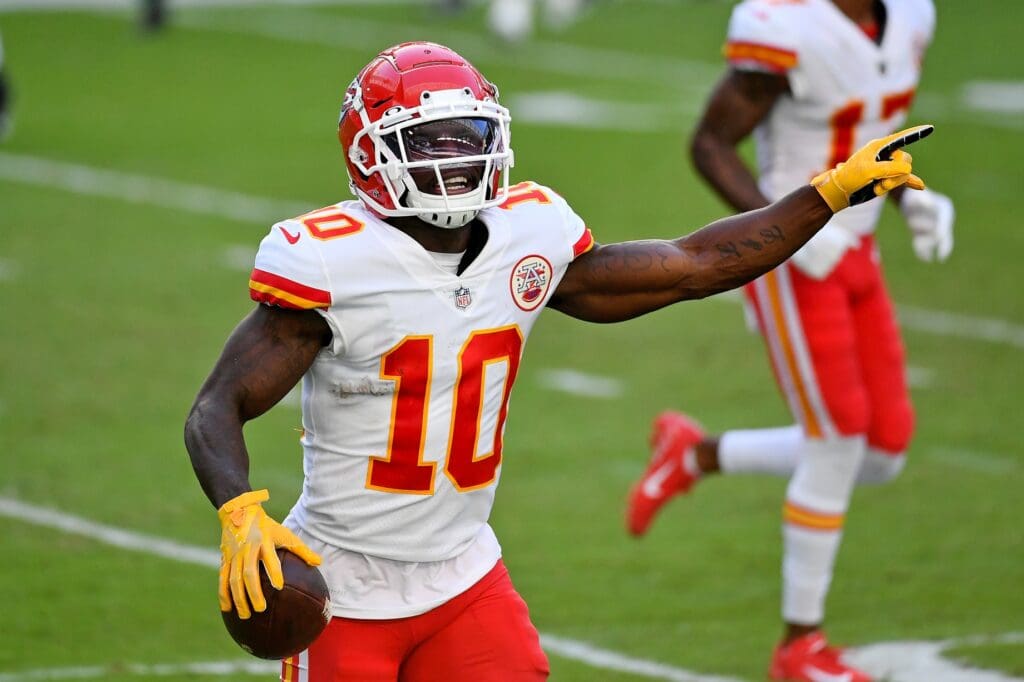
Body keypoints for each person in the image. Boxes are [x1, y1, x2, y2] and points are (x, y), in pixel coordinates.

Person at [184, 40, 931, 681]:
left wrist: (825, 195)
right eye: (432, 142)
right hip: (344, 586)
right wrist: (239, 512)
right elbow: (218, 406)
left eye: (467, 133)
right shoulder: (332, 263)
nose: (460, 157)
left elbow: (692, 265)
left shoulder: (525, 237)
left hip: (466, 574)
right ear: (370, 154)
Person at [625, 2, 953, 681]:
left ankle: (696, 454)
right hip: (792, 260)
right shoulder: (786, 23)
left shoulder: (911, 13)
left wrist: (908, 196)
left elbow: (869, 132)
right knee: (837, 440)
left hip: (857, 253)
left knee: (884, 447)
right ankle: (799, 647)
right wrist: (784, 234)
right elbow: (709, 144)